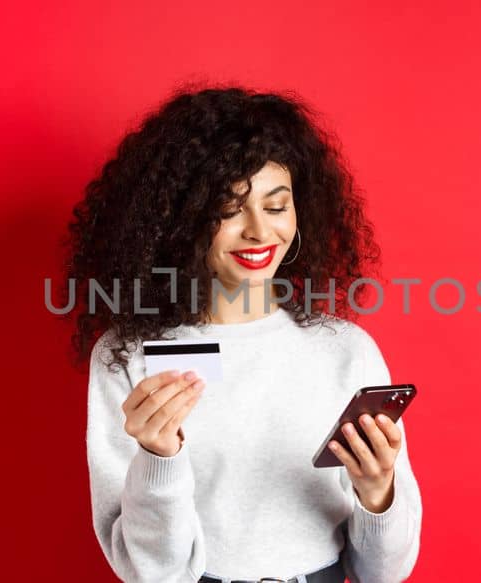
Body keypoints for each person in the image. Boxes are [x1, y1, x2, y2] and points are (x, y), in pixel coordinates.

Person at [65, 86, 422, 582]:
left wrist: (378, 492)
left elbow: (385, 574)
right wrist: (159, 459)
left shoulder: (345, 351)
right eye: (229, 210)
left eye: (276, 207)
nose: (258, 232)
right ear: (182, 221)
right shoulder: (129, 357)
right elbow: (153, 573)